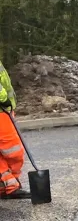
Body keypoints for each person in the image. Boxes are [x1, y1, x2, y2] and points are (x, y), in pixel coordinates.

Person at [0, 58, 29, 199]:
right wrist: (3, 98)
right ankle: (10, 185)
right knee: (13, 150)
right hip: (1, 110)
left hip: (4, 110)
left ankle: (7, 186)